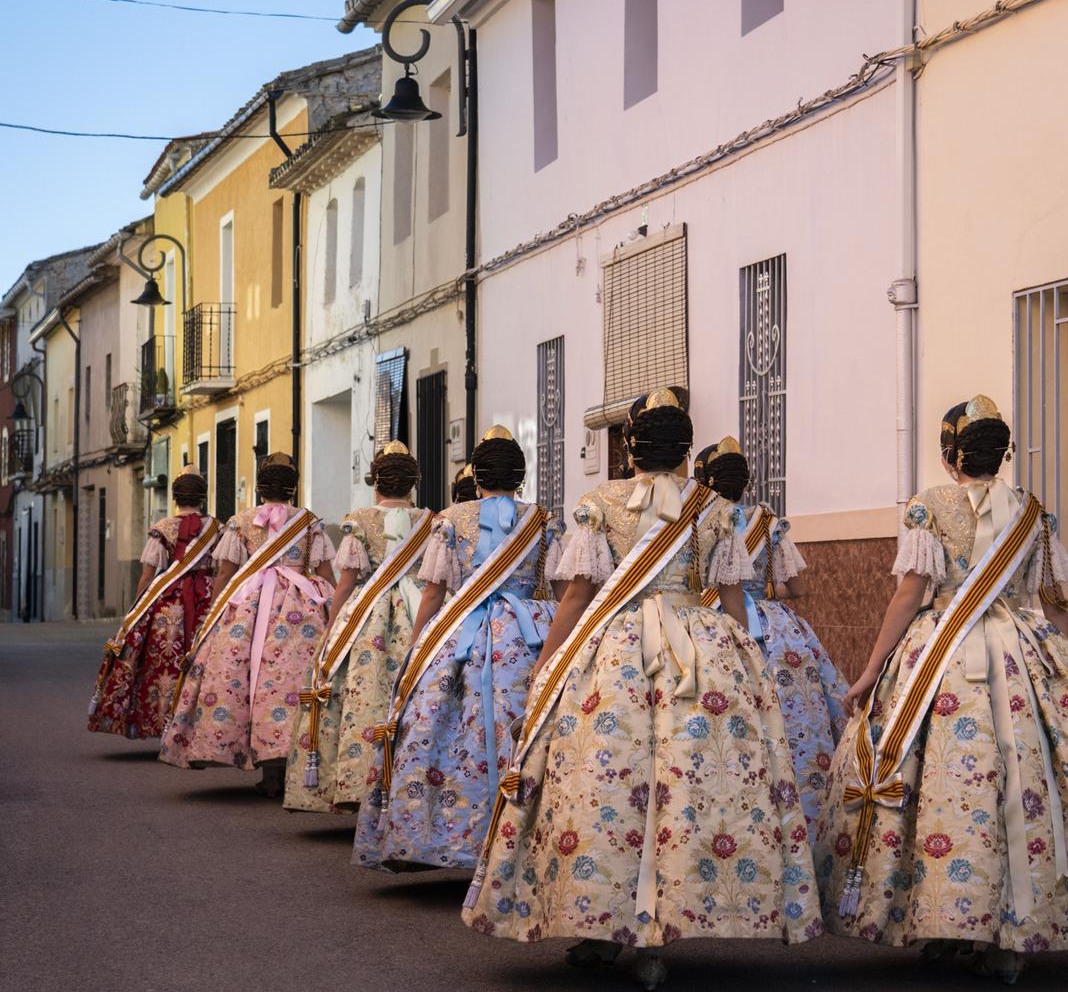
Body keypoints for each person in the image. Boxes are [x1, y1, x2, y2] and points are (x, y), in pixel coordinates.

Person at [462, 389, 819, 989]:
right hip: (702, 652)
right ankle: (680, 914)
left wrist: (547, 670)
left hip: (617, 650)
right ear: (685, 451)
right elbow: (732, 598)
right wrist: (746, 670)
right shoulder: (713, 509)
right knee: (696, 785)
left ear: (629, 448)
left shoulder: (599, 503)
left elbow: (576, 597)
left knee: (604, 782)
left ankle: (601, 925)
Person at [819, 397, 1068, 983]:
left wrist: (869, 671)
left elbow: (910, 596)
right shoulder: (1035, 513)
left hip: (940, 654)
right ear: (1000, 453)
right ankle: (1011, 933)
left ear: (949, 453)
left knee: (945, 790)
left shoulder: (927, 507)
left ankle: (942, 919)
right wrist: (1067, 675)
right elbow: (1055, 601)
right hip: (1025, 650)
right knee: (1025, 785)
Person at [353, 428, 552, 871]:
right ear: (521, 476)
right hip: (528, 633)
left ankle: (430, 836)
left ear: (476, 476)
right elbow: (551, 586)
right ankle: (518, 842)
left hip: (460, 632)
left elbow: (433, 591)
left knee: (434, 727)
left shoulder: (451, 518)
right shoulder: (542, 519)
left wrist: (417, 649)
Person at [695, 437, 847, 840]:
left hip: (713, 621)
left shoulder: (700, 520)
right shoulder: (768, 521)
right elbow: (795, 588)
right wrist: (761, 592)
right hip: (774, 628)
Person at [159, 452, 336, 796]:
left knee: (245, 680)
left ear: (259, 487)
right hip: (300, 610)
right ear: (292, 489)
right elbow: (325, 572)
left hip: (247, 607)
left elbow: (224, 574)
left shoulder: (240, 522)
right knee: (287, 683)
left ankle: (261, 765)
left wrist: (215, 616)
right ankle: (287, 766)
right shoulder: (310, 522)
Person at [285, 441, 430, 814]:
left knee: (360, 693)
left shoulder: (360, 520)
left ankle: (356, 782)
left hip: (369, 615)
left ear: (376, 483)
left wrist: (332, 629)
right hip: (423, 612)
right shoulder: (432, 520)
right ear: (413, 484)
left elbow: (347, 581)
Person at [87, 468, 221, 739]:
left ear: (174, 498)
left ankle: (161, 723)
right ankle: (202, 729)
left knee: (163, 664)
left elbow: (148, 575)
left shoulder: (162, 529)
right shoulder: (218, 528)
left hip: (167, 605)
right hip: (209, 599)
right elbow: (223, 569)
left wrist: (134, 612)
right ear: (203, 498)